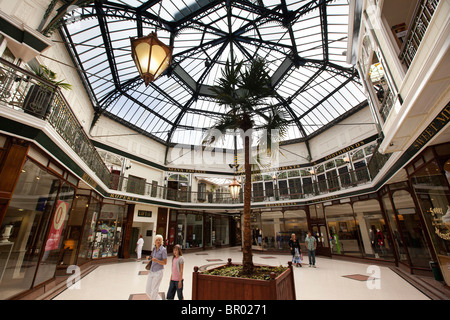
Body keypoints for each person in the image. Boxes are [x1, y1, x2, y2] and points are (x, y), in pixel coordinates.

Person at [146, 234, 167, 300]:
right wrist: (149, 258)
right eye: (157, 240)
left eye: (159, 240)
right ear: (155, 241)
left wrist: (157, 261)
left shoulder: (163, 250)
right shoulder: (154, 249)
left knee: (154, 291)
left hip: (158, 271)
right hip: (151, 270)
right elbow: (152, 258)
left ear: (161, 241)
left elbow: (165, 262)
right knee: (148, 290)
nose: (158, 241)